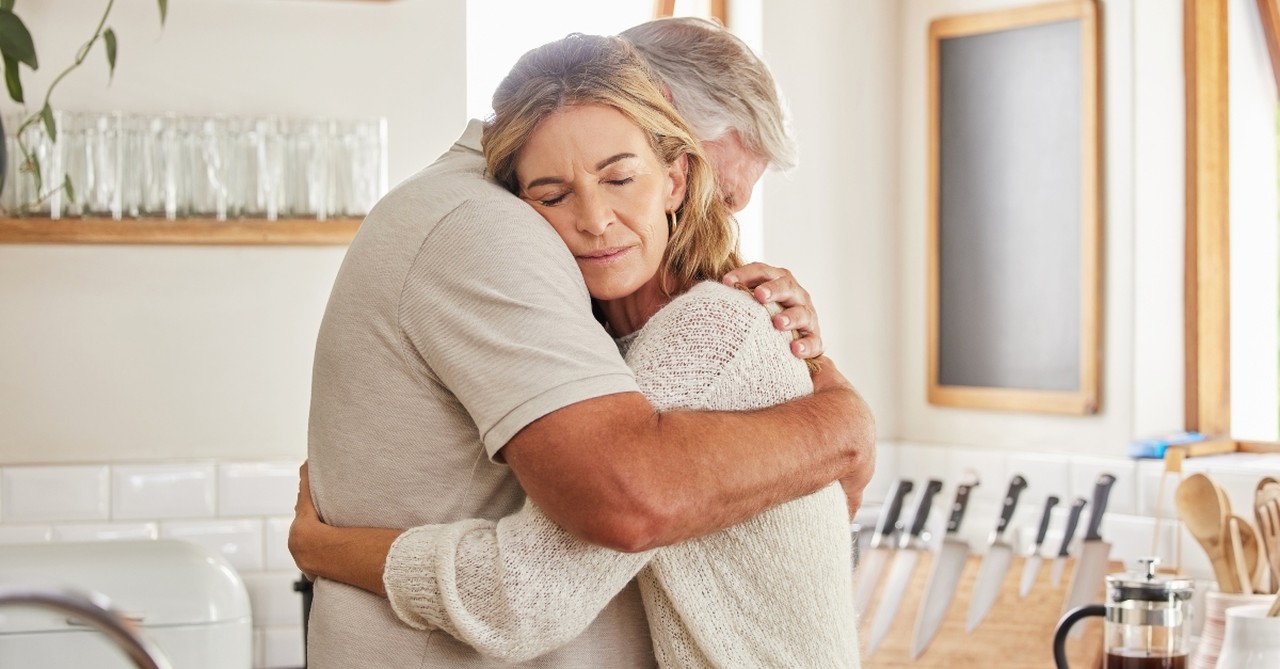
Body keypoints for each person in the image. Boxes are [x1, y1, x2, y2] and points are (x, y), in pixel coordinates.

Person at [302, 17, 875, 669]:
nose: (598, 218)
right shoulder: (494, 233)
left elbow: (536, 585)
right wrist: (839, 415)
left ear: (674, 175)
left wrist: (327, 548)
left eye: (622, 179)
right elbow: (603, 526)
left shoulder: (708, 325)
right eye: (557, 189)